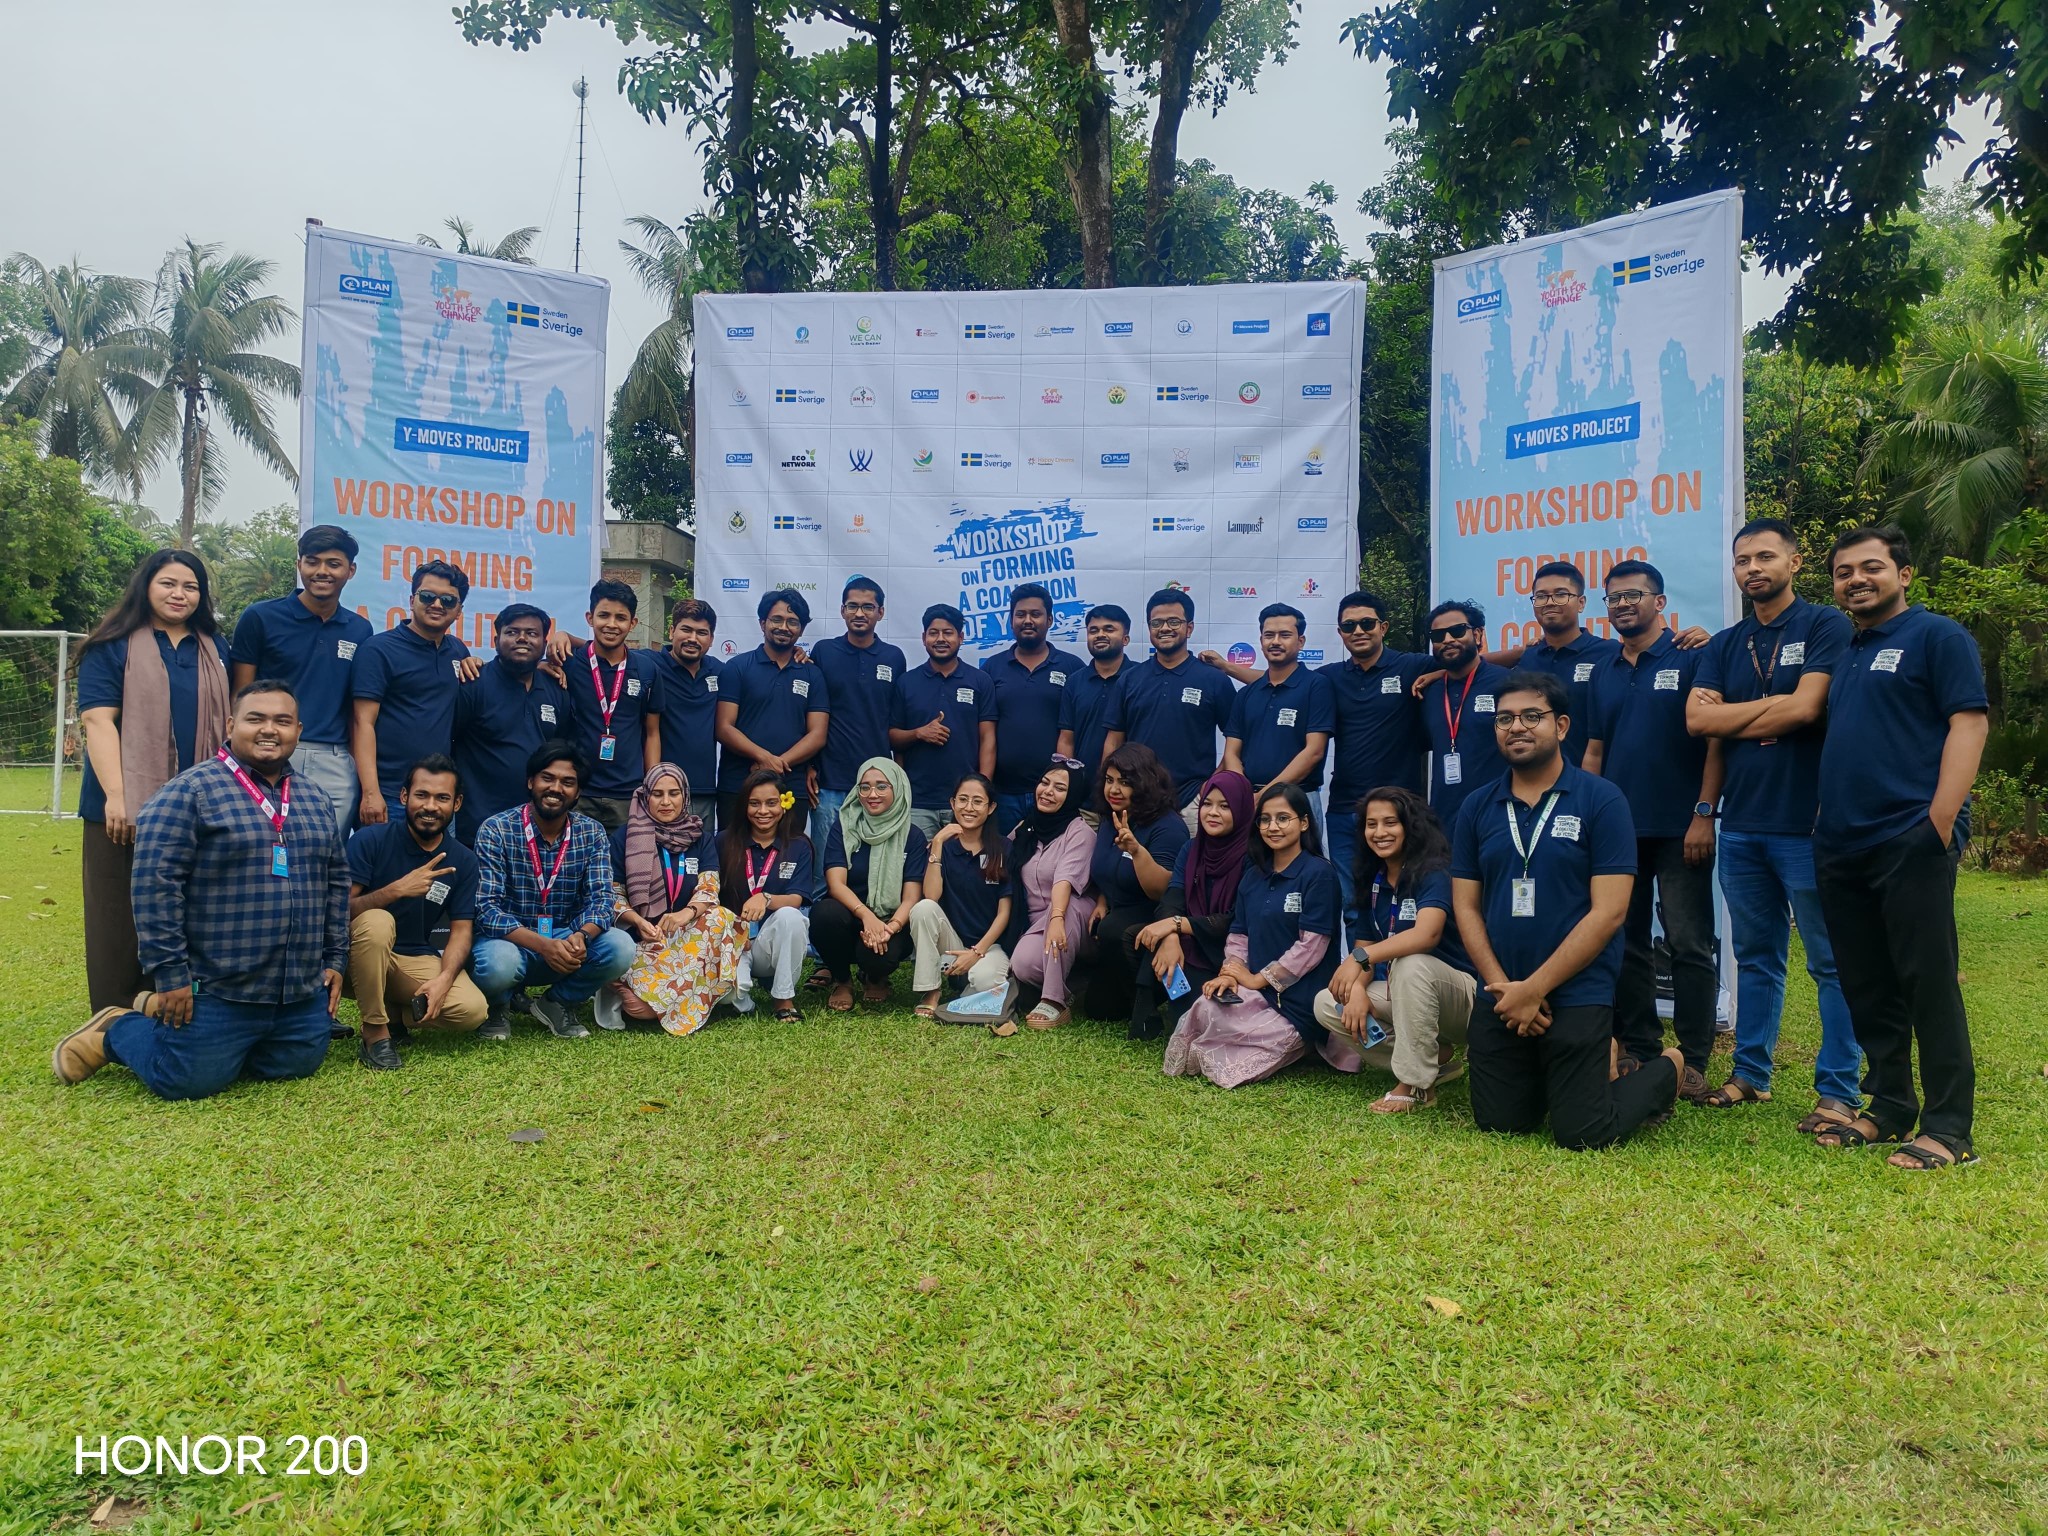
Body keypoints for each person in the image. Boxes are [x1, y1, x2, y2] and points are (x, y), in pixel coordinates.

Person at [54, 681, 349, 1099]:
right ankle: (116, 1028)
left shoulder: (315, 799)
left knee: (294, 1066)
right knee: (185, 1079)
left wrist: (334, 958)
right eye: (256, 719)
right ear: (230, 725)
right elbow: (156, 887)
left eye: (282, 721)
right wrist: (170, 974)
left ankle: (220, 1039)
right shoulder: (188, 793)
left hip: (296, 990)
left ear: (298, 731)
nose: (269, 729)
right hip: (219, 986)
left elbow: (336, 881)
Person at [1810, 526, 1988, 1170]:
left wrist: (1938, 822)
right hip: (1840, 843)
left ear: (1904, 574)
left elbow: (1969, 723)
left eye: (1871, 567)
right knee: (1866, 982)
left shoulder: (1937, 636)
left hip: (1908, 836)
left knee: (1926, 979)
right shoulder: (1850, 650)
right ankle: (1888, 1105)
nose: (1856, 579)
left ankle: (1949, 1128)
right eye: (1844, 572)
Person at [1449, 670, 1683, 1149]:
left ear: (1561, 726)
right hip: (1502, 991)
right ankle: (1583, 1063)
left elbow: (1610, 912)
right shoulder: (1476, 806)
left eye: (1531, 716)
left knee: (1582, 1132)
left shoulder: (1601, 800)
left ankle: (1668, 1068)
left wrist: (1535, 989)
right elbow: (1466, 907)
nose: (1516, 727)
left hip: (1578, 990)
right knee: (1501, 1123)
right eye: (1504, 719)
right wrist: (1505, 990)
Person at [1686, 518, 1861, 1123]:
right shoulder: (1725, 644)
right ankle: (1750, 1075)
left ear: (1794, 562)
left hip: (1809, 825)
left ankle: (1838, 1088)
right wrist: (1706, 810)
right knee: (1756, 956)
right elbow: (1700, 727)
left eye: (1765, 557)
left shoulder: (1825, 624)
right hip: (1741, 824)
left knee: (1830, 961)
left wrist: (1738, 712)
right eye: (1743, 561)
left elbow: (1810, 708)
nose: (1753, 569)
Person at [1581, 559, 1722, 1097]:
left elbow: (1715, 741)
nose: (1622, 605)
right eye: (1613, 598)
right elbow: (1595, 751)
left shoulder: (1693, 656)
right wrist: (1586, 819)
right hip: (1618, 832)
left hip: (1682, 828)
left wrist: (1704, 813)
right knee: (1625, 941)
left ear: (1659, 602)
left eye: (1632, 595)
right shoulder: (1604, 670)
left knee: (1689, 943)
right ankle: (1640, 1046)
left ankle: (1693, 1056)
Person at [74, 549, 232, 1011]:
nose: (179, 594)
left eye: (190, 587)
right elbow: (98, 721)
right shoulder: (113, 644)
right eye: (168, 583)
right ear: (146, 586)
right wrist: (117, 796)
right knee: (118, 918)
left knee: (190, 908)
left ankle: (177, 1009)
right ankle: (115, 1017)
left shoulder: (215, 648)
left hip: (197, 805)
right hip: (124, 808)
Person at [1161, 782, 1351, 1088]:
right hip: (1258, 994)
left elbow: (1311, 947)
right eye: (1265, 819)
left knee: (1231, 1065)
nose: (1273, 827)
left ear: (1304, 822)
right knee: (1205, 1008)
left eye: (1283, 818)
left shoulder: (1319, 874)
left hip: (1299, 1001)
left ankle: (1307, 1044)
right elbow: (1239, 935)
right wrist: (1230, 974)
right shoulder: (1254, 875)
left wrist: (1257, 979)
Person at [1313, 787, 1475, 1113]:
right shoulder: (1372, 878)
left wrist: (1361, 959)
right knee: (1328, 1002)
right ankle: (1435, 1061)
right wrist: (1356, 990)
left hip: (1461, 996)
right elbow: (1364, 947)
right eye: (1371, 824)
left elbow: (1427, 934)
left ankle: (1415, 1085)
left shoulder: (1434, 871)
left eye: (1390, 823)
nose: (1379, 832)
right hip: (1405, 991)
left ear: (1410, 826)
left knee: (1410, 963)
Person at [468, 741, 637, 1040]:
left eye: (567, 782)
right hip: (510, 941)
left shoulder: (592, 832)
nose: (556, 788)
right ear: (530, 781)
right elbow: (486, 910)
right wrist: (542, 945)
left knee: (620, 946)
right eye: (547, 778)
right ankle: (497, 1007)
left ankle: (557, 1003)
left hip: (565, 939)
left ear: (578, 792)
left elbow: (601, 900)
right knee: (498, 964)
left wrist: (582, 936)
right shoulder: (496, 829)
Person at [344, 754, 488, 1069]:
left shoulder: (463, 860)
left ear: (457, 804)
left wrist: (445, 979)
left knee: (472, 1010)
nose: (430, 806)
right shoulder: (371, 839)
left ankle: (394, 1013)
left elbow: (461, 930)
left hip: (410, 957)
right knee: (378, 921)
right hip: (353, 957)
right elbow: (336, 912)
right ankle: (375, 1032)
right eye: (421, 795)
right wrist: (395, 890)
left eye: (442, 798)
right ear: (404, 796)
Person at [228, 524, 373, 821]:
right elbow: (240, 696)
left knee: (328, 845)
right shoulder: (260, 617)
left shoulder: (360, 629)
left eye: (333, 564)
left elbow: (358, 710)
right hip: (267, 748)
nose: (322, 571)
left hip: (334, 759)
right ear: (299, 565)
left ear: (351, 571)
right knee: (259, 840)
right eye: (312, 562)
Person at [600, 762, 746, 1036]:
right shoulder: (625, 837)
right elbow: (612, 893)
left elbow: (709, 887)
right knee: (617, 949)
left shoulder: (700, 838)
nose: (666, 802)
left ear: (685, 796)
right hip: (643, 939)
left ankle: (655, 1000)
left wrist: (685, 914)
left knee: (720, 916)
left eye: (673, 793)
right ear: (645, 797)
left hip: (687, 940)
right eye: (657, 794)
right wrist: (638, 921)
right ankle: (671, 996)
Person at [1318, 590, 1431, 931]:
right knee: (1353, 904)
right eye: (1349, 626)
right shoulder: (1329, 677)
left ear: (1383, 627)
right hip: (1345, 809)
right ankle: (1361, 965)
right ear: (1340, 633)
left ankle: (1400, 965)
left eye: (1367, 623)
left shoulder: (1412, 665)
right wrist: (1226, 667)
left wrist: (1437, 674)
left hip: (1402, 809)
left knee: (1406, 899)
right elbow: (1280, 683)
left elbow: (1467, 665)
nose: (1358, 631)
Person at [807, 576, 908, 918]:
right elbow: (811, 714)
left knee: (876, 870)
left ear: (880, 612)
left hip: (878, 788)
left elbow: (896, 720)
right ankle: (821, 946)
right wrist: (810, 766)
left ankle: (874, 935)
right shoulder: (824, 652)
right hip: (831, 781)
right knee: (826, 869)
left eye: (867, 606)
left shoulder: (894, 657)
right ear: (842, 610)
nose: (860, 613)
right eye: (853, 606)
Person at [1128, 771, 1255, 1040]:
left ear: (1241, 809)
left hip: (1230, 953)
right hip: (1192, 942)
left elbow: (1235, 920)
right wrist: (1171, 936)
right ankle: (1146, 1013)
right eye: (1207, 804)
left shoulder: (1253, 857)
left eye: (1224, 806)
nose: (1213, 812)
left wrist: (1176, 925)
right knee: (1140, 937)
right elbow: (1173, 897)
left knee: (1198, 1024)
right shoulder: (1192, 849)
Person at [350, 560, 472, 826]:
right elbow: (362, 723)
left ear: (459, 611)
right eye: (427, 596)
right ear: (411, 600)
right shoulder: (379, 649)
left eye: (448, 600)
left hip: (439, 796)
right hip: (388, 795)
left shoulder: (458, 651)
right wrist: (370, 792)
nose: (437, 605)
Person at [1100, 589, 1237, 818]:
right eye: (1156, 623)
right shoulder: (1130, 679)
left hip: (1193, 802)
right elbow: (1113, 740)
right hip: (1135, 798)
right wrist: (1111, 787)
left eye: (1174, 621)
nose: (1164, 628)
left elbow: (1236, 739)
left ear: (1189, 628)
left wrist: (1213, 783)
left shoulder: (1214, 679)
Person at [1080, 744, 1188, 1022]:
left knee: (1112, 928)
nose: (1114, 789)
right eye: (1109, 780)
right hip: (1117, 912)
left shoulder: (1168, 826)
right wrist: (1102, 901)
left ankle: (1150, 998)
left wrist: (1137, 851)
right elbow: (1106, 870)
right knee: (1099, 1010)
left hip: (1155, 916)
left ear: (1146, 782)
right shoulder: (1110, 818)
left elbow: (1163, 891)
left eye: (1125, 782)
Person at [450, 604, 569, 843]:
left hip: (537, 827)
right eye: (512, 632)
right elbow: (447, 742)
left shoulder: (556, 688)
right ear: (496, 640)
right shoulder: (473, 683)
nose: (522, 638)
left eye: (532, 633)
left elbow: (562, 750)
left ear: (544, 644)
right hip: (478, 827)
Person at [816, 757, 927, 1012]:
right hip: (851, 916)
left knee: (879, 958)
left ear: (898, 788)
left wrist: (889, 928)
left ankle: (875, 977)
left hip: (891, 921)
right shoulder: (844, 827)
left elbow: (911, 897)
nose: (872, 794)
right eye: (864, 787)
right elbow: (835, 884)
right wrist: (867, 916)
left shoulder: (912, 835)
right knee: (825, 914)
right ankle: (842, 980)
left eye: (881, 786)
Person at [715, 587, 831, 828]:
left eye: (793, 622)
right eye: (776, 619)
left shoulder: (812, 674)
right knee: (733, 850)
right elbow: (724, 728)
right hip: (739, 784)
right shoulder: (737, 667)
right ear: (762, 623)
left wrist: (776, 764)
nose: (784, 627)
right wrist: (763, 758)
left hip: (791, 786)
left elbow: (818, 734)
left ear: (802, 629)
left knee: (789, 851)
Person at [1002, 756, 1097, 1032]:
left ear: (1073, 795)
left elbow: (1064, 880)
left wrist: (1056, 918)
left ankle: (1054, 1000)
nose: (1048, 792)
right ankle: (1078, 983)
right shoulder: (1027, 828)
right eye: (1045, 783)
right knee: (1022, 964)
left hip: (1074, 919)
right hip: (1036, 925)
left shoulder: (1080, 832)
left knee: (1067, 909)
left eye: (1059, 788)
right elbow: (1000, 855)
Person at [1220, 603, 1336, 827]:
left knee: (1301, 853)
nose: (1275, 641)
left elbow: (1314, 751)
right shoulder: (1246, 693)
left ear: (1300, 641)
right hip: (1250, 802)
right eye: (1269, 635)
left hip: (1297, 799)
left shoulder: (1316, 686)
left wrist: (1265, 796)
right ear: (1261, 640)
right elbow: (1231, 753)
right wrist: (1244, 793)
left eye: (1285, 635)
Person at [909, 773, 1014, 1018]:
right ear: (952, 803)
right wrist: (937, 842)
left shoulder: (1002, 848)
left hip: (988, 946)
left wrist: (976, 952)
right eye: (963, 799)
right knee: (923, 908)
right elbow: (931, 896)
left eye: (977, 801)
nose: (969, 807)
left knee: (987, 980)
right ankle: (931, 990)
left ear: (991, 808)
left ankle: (966, 982)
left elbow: (1004, 912)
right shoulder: (943, 847)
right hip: (951, 944)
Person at [985, 583, 1088, 831]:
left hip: (1053, 792)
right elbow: (985, 732)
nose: (1028, 620)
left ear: (1049, 620)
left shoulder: (1072, 667)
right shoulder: (991, 668)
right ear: (1011, 620)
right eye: (1020, 614)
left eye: (1036, 614)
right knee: (1004, 854)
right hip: (1004, 793)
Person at [715, 768, 815, 1022]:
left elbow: (797, 898)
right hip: (730, 941)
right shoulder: (723, 841)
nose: (763, 811)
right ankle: (741, 996)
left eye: (771, 803)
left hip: (768, 944)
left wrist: (766, 898)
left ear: (784, 804)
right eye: (754, 804)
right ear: (744, 806)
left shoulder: (799, 845)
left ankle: (783, 998)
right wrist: (734, 932)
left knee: (791, 916)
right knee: (729, 999)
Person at [890, 604, 996, 835]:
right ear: (923, 638)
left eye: (948, 633)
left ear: (961, 637)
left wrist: (981, 791)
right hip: (918, 802)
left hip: (965, 802)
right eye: (933, 633)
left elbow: (988, 738)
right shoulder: (907, 682)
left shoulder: (980, 681)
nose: (940, 639)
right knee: (917, 859)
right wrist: (919, 733)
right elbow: (892, 737)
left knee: (965, 859)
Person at [1419, 600, 1511, 828]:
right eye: (1438, 635)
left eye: (1458, 631)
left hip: (1498, 817)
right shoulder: (1429, 692)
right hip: (1444, 820)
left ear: (1477, 635)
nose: (1448, 639)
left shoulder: (1508, 684)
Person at [648, 599, 724, 835]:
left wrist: (796, 652)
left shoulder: (721, 671)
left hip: (705, 792)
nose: (693, 638)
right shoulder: (649, 664)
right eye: (686, 630)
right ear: (672, 631)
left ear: (711, 639)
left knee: (701, 857)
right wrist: (565, 638)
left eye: (701, 633)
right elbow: (606, 651)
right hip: (663, 794)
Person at [1055, 604, 1131, 772]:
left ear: (1125, 639)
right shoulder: (1074, 681)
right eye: (1093, 630)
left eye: (1109, 629)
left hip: (1128, 782)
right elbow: (1067, 739)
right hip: (1082, 782)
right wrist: (1066, 778)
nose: (1100, 635)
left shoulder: (1138, 678)